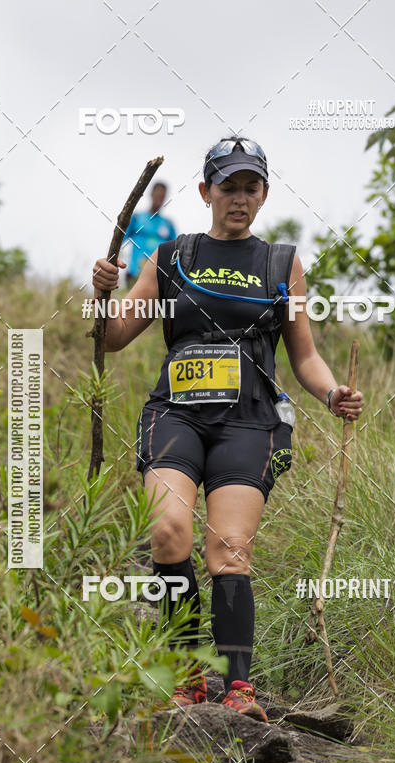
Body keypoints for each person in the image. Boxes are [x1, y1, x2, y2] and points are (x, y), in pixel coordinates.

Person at [92, 136, 364, 722]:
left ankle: (239, 688)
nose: (238, 198)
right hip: (176, 414)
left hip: (249, 421)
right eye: (228, 187)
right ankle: (189, 672)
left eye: (250, 188)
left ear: (263, 195)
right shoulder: (173, 259)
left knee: (228, 550)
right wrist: (100, 293)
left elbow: (305, 357)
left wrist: (331, 391)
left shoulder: (279, 262)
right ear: (205, 191)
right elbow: (113, 337)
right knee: (167, 534)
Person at [121, 181, 176, 289]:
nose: (159, 199)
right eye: (157, 195)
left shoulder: (168, 224)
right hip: (134, 274)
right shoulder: (136, 217)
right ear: (151, 194)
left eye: (162, 197)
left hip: (158, 277)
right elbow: (120, 241)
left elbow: (175, 252)